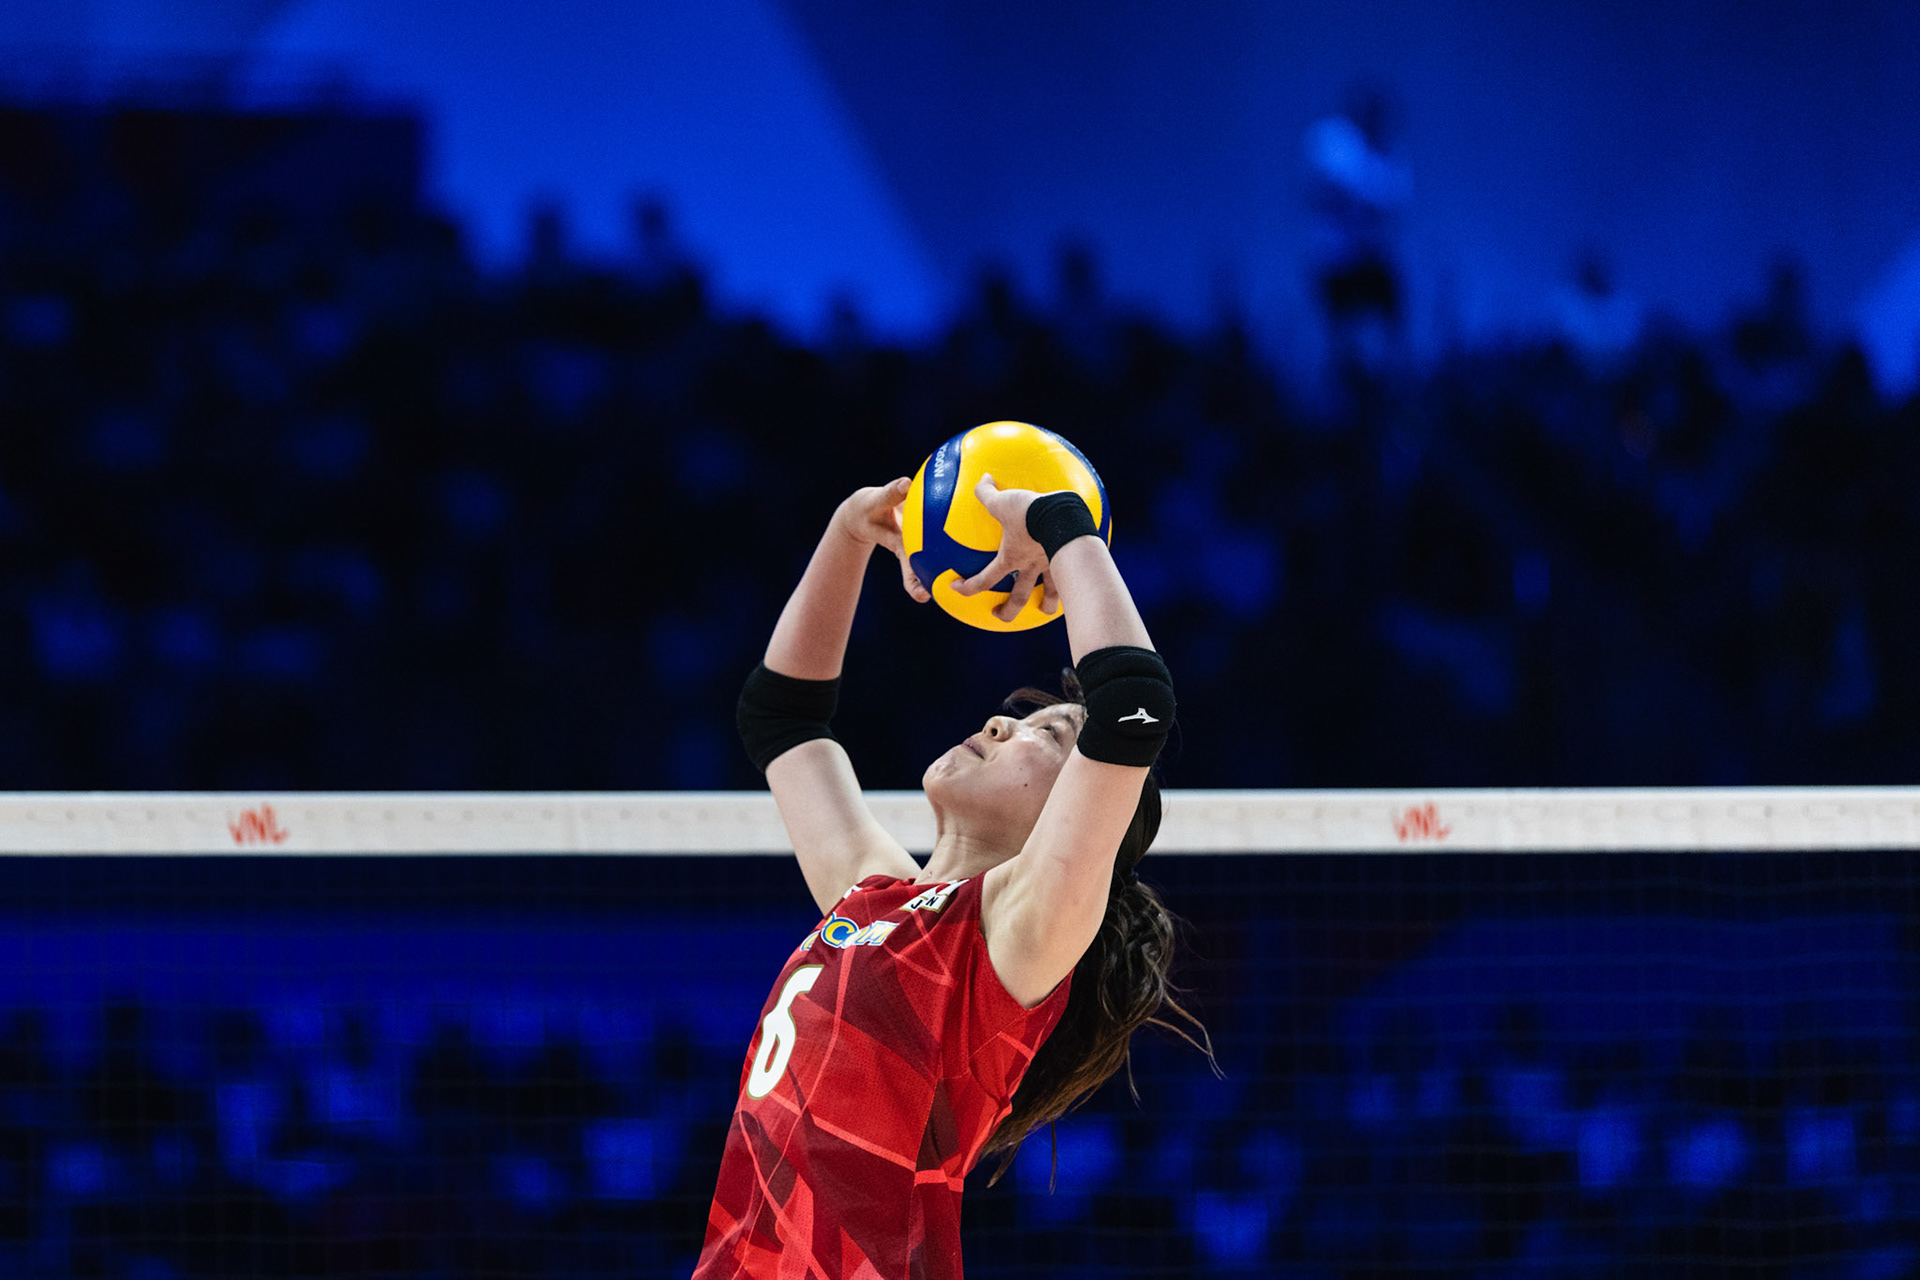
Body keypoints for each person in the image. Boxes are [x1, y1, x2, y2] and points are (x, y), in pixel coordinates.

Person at [692, 473, 1211, 1279]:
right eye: (1020, 715)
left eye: (1047, 732)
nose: (1000, 721)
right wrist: (848, 534)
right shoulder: (871, 899)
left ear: (1077, 807)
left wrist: (1055, 521)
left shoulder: (1023, 932)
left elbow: (1136, 704)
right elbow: (782, 716)